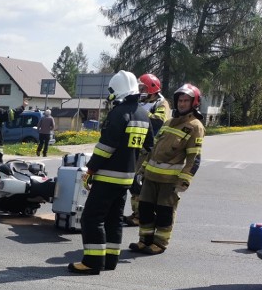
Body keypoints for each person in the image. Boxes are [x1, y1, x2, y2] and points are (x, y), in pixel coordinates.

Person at [68, 70, 152, 274]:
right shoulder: (143, 114)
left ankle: (92, 262)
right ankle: (110, 260)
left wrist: (91, 168)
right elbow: (149, 145)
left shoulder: (118, 113)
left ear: (117, 91)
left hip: (108, 175)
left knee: (91, 218)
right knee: (114, 218)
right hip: (126, 177)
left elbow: (106, 146)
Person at [129, 83, 204, 255]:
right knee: (145, 209)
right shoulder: (169, 122)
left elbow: (194, 158)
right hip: (151, 176)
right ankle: (144, 240)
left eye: (186, 101)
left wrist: (184, 180)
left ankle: (160, 243)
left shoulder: (195, 127)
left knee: (165, 213)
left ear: (194, 103)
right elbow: (154, 149)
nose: (182, 104)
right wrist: (142, 170)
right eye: (180, 100)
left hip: (169, 181)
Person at [123, 73, 172, 226]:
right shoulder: (142, 101)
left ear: (152, 87)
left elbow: (158, 122)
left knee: (138, 181)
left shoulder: (161, 103)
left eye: (143, 87)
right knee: (133, 181)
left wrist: (140, 113)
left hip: (149, 150)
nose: (141, 90)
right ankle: (137, 212)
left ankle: (140, 215)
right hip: (137, 146)